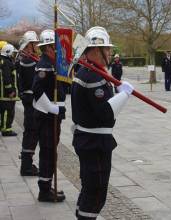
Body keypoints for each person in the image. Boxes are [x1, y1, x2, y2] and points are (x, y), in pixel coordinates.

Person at [71, 26, 134, 220]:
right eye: (106, 49)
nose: (110, 52)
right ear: (96, 51)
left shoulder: (95, 72)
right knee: (95, 191)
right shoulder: (92, 76)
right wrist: (123, 95)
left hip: (93, 141)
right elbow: (105, 113)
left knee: (91, 188)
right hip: (93, 142)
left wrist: (119, 92)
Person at [32, 29, 66, 202]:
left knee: (51, 152)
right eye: (55, 47)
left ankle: (47, 185)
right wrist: (52, 109)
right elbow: (37, 91)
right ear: (48, 48)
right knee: (47, 153)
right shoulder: (44, 65)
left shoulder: (52, 63)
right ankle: (44, 191)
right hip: (47, 117)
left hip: (53, 116)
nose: (58, 50)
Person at [17, 31, 39, 176]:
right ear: (29, 45)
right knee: (31, 133)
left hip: (28, 100)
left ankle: (27, 163)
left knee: (30, 132)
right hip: (31, 101)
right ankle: (26, 166)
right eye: (34, 44)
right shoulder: (29, 62)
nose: (37, 46)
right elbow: (35, 84)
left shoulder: (24, 59)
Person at [0, 43, 19, 136]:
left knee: (5, 111)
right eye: (12, 53)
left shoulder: (3, 61)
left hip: (4, 92)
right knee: (8, 111)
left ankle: (5, 127)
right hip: (7, 94)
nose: (13, 55)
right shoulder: (6, 63)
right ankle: (6, 130)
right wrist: (10, 91)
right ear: (8, 52)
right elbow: (7, 78)